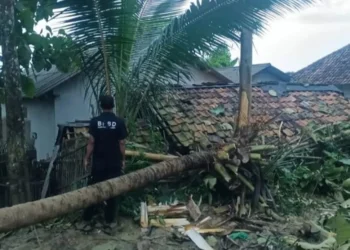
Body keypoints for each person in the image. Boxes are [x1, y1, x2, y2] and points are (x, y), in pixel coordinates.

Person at [82, 95, 128, 232]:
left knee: (94, 190)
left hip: (99, 164)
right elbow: (122, 143)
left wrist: (86, 158)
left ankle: (87, 219)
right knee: (113, 191)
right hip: (114, 163)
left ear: (101, 105)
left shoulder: (95, 122)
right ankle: (109, 222)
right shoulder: (119, 122)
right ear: (112, 105)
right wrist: (123, 160)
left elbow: (91, 142)